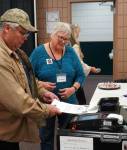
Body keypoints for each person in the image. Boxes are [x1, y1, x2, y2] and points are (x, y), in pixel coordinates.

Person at [0, 8, 61, 150]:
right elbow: (18, 102)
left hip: (9, 132)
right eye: (22, 32)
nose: (26, 37)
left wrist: (41, 91)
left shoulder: (14, 52)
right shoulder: (2, 59)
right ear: (7, 28)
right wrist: (47, 110)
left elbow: (24, 78)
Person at [30, 22, 85, 150]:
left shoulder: (70, 52)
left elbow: (81, 75)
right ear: (52, 35)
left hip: (69, 103)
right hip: (46, 103)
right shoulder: (38, 53)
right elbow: (27, 76)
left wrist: (73, 89)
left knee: (69, 137)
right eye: (60, 37)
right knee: (46, 137)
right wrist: (40, 83)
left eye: (66, 39)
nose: (63, 41)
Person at [70, 24, 101, 104]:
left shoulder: (69, 45)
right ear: (74, 32)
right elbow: (79, 62)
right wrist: (90, 68)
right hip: (74, 76)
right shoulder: (75, 46)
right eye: (78, 32)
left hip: (70, 74)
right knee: (81, 101)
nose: (79, 34)